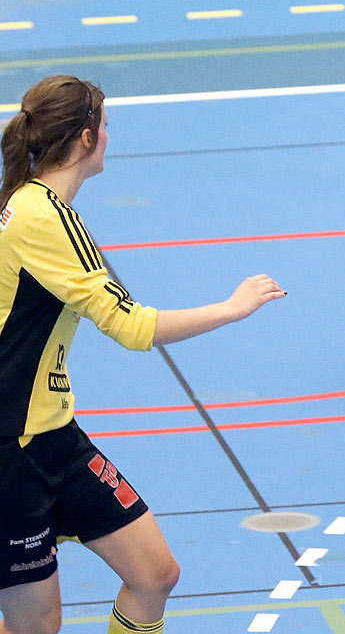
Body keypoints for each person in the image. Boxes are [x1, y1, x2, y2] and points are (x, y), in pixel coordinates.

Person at [0, 76, 286, 634]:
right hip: (13, 450)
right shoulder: (43, 217)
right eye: (105, 124)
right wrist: (231, 308)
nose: (110, 134)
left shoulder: (29, 205)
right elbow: (132, 327)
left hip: (53, 434)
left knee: (154, 573)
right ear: (86, 138)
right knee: (36, 627)